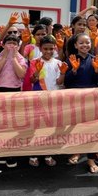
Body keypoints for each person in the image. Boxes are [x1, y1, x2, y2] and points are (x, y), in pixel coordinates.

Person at [63, 34, 98, 173]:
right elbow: (66, 82)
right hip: (74, 99)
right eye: (81, 43)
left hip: (91, 99)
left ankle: (91, 159)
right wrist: (73, 70)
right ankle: (76, 152)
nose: (85, 45)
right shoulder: (70, 60)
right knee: (75, 127)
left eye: (87, 43)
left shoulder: (95, 59)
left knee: (91, 129)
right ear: (75, 45)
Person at [27, 35, 68, 168]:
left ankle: (47, 153)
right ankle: (33, 154)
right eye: (45, 49)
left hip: (53, 100)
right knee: (36, 127)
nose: (48, 51)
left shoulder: (59, 63)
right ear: (40, 48)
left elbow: (59, 82)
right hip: (38, 99)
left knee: (49, 127)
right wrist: (37, 72)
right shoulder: (34, 61)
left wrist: (62, 73)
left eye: (51, 48)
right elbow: (32, 81)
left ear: (55, 48)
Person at [0, 34, 28, 168]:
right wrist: (5, 56)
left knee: (12, 124)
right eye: (9, 43)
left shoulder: (21, 58)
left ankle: (10, 152)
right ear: (3, 44)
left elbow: (21, 74)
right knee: (0, 123)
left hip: (15, 92)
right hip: (0, 91)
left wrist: (14, 57)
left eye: (14, 43)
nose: (11, 45)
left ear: (18, 45)